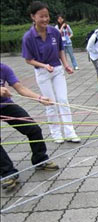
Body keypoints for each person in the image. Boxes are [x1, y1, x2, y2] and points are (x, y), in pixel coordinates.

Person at [22, 1, 80, 144]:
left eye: (47, 16)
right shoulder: (28, 37)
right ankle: (56, 133)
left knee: (63, 100)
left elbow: (61, 50)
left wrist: (66, 65)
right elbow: (28, 60)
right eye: (41, 16)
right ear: (33, 17)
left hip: (57, 70)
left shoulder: (54, 32)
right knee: (50, 103)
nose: (45, 19)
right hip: (42, 72)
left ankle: (70, 132)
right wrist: (43, 65)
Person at [1, 63, 59, 191]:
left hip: (5, 106)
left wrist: (40, 98)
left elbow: (20, 88)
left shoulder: (4, 68)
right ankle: (8, 173)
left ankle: (40, 160)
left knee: (33, 129)